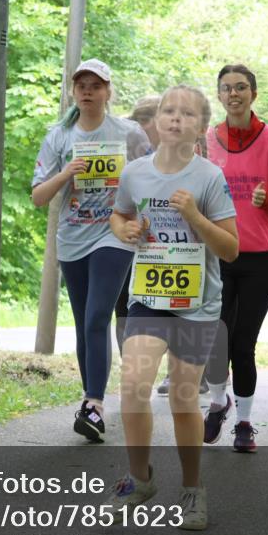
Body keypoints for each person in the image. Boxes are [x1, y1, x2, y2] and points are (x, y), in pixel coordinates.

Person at [107, 84, 238, 530]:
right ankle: (139, 479)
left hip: (196, 302)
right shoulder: (136, 173)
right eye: (168, 111)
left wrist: (195, 217)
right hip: (148, 296)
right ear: (157, 121)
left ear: (200, 127)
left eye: (186, 114)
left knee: (184, 400)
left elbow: (231, 248)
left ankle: (192, 489)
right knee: (133, 385)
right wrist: (124, 230)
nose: (175, 118)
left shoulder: (209, 178)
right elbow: (120, 213)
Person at [31, 59, 150, 442]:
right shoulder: (59, 137)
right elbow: (37, 197)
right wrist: (67, 173)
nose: (87, 90)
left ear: (107, 92)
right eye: (80, 84)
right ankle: (90, 401)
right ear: (72, 91)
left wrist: (144, 218)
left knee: (98, 314)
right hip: (72, 238)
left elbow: (152, 177)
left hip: (113, 234)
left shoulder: (128, 133)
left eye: (95, 85)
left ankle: (95, 404)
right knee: (85, 322)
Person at [202, 64, 268, 453]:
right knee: (216, 339)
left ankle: (243, 423)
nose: (234, 94)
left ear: (253, 94)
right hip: (219, 255)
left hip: (260, 258)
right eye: (226, 88)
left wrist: (267, 199)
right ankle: (217, 402)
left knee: (243, 343)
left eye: (241, 87)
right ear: (220, 96)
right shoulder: (207, 139)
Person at [115, 96, 160, 356]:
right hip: (129, 242)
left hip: (169, 247)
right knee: (123, 303)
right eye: (139, 120)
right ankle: (129, 364)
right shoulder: (125, 151)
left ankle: (182, 369)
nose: (143, 127)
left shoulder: (183, 152)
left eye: (148, 119)